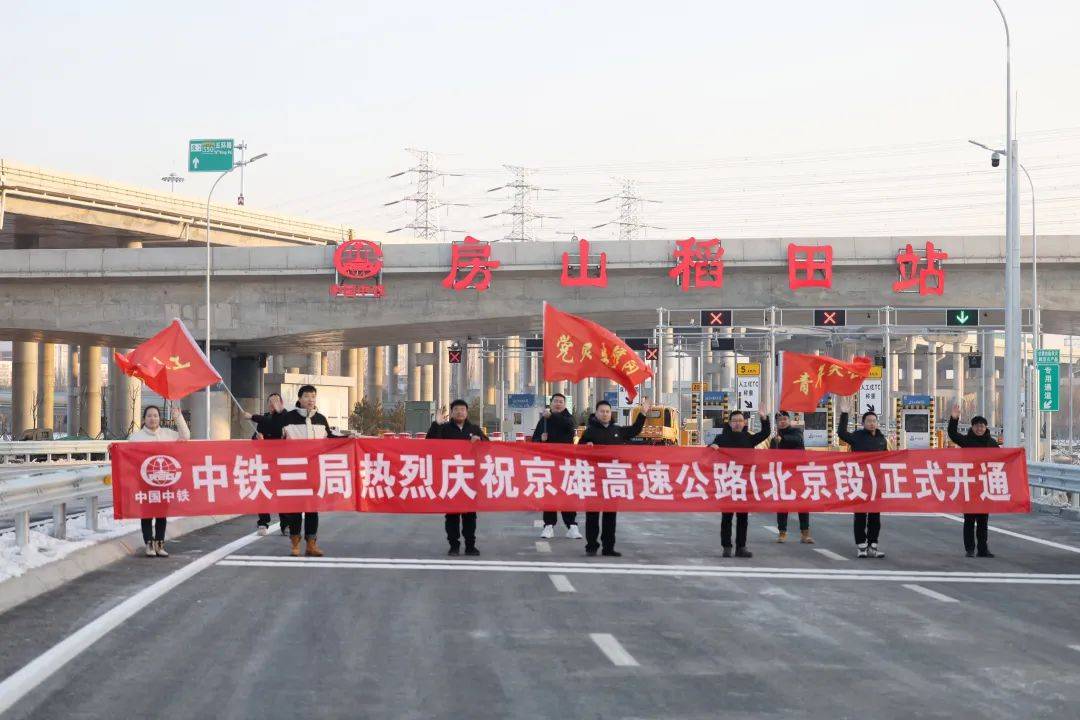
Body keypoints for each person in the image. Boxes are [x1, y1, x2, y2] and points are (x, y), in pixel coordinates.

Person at [280, 384, 354, 557]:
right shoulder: (288, 418)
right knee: (295, 509)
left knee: (313, 509)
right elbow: (276, 439)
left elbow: (330, 438)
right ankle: (295, 544)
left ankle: (311, 544)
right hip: (295, 471)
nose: (310, 400)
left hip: (314, 471)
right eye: (306, 396)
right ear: (299, 399)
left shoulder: (320, 419)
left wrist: (347, 438)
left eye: (313, 396)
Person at [578, 397, 650, 557]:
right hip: (594, 479)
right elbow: (578, 451)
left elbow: (635, 430)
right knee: (592, 515)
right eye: (602, 411)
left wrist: (643, 413)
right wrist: (585, 446)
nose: (605, 414)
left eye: (607, 411)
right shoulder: (589, 432)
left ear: (611, 414)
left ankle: (608, 547)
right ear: (596, 413)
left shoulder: (617, 430)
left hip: (613, 479)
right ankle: (591, 546)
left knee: (610, 515)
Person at [427, 399, 488, 555]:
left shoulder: (474, 429)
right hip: (450, 477)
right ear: (452, 412)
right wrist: (436, 424)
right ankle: (454, 545)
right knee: (452, 515)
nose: (460, 412)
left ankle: (470, 546)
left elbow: (489, 447)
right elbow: (429, 444)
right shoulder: (444, 428)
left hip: (469, 477)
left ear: (467, 412)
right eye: (456, 409)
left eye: (462, 409)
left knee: (470, 515)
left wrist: (480, 441)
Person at [129, 405, 190, 557]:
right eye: (149, 416)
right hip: (145, 481)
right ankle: (149, 544)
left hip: (165, 481)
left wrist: (178, 417)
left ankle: (160, 543)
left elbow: (186, 436)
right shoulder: (136, 437)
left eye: (155, 415)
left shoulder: (168, 434)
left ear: (159, 418)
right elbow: (127, 457)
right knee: (147, 513)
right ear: (144, 419)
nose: (152, 418)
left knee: (162, 513)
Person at [710, 409, 771, 558]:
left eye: (740, 420)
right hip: (728, 482)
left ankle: (741, 547)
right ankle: (726, 546)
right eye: (734, 421)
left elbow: (765, 433)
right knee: (727, 517)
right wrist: (712, 447)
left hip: (744, 483)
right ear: (730, 423)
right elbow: (708, 453)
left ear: (744, 423)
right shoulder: (721, 438)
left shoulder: (749, 438)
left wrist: (764, 418)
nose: (737, 423)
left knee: (743, 517)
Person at [837, 397, 890, 559]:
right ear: (863, 423)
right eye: (869, 421)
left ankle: (873, 546)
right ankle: (861, 546)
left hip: (876, 483)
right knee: (860, 515)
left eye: (874, 420)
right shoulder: (857, 437)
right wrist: (845, 413)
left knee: (875, 516)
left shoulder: (881, 439)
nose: (872, 423)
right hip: (860, 481)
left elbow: (888, 458)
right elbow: (841, 433)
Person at [948, 405, 1000, 558]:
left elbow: (1002, 460)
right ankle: (970, 548)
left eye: (982, 426)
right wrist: (954, 419)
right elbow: (952, 434)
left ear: (986, 427)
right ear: (972, 427)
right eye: (977, 426)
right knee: (969, 519)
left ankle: (983, 549)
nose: (979, 428)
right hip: (969, 484)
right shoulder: (967, 440)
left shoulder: (991, 443)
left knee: (983, 521)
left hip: (984, 485)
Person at [531, 393, 582, 540]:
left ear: (565, 404)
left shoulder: (568, 418)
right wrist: (540, 440)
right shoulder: (544, 421)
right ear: (551, 403)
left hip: (565, 464)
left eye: (561, 402)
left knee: (567, 495)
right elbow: (535, 440)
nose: (558, 404)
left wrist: (551, 416)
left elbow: (568, 426)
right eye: (555, 401)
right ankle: (548, 526)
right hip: (548, 464)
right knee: (550, 494)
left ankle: (572, 526)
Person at [244, 392, 287, 536]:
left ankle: (285, 523)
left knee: (282, 495)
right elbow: (254, 441)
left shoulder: (286, 417)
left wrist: (253, 416)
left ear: (281, 403)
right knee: (263, 492)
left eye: (276, 401)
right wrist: (258, 440)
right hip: (264, 463)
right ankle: (263, 522)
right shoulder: (264, 419)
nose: (272, 404)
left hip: (282, 463)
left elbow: (275, 425)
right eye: (270, 401)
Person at [771, 411, 813, 544]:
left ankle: (805, 534)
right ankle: (782, 533)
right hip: (783, 474)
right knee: (783, 505)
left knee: (802, 504)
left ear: (789, 420)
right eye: (780, 420)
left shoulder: (796, 432)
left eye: (785, 419)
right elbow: (771, 456)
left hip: (799, 473)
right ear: (777, 423)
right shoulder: (774, 438)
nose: (782, 421)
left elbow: (797, 441)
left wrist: (782, 439)